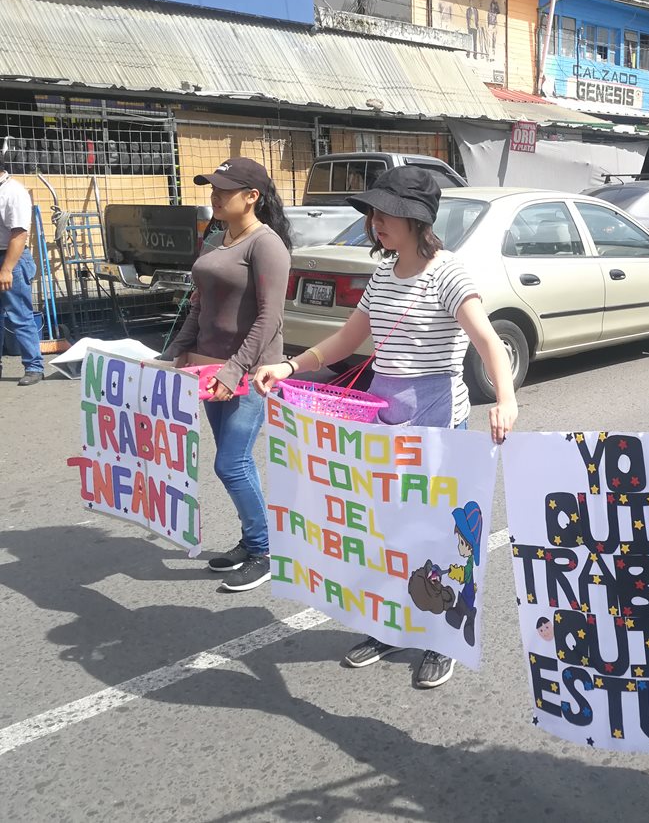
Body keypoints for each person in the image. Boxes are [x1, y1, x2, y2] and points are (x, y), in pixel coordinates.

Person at [254, 166, 517, 687]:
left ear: (418, 220)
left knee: (438, 534)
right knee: (387, 528)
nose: (376, 223)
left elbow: (487, 342)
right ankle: (391, 624)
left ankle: (440, 637)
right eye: (373, 213)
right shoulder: (382, 275)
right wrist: (288, 366)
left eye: (386, 213)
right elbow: (346, 341)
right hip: (383, 415)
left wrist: (505, 399)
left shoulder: (449, 274)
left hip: (438, 419)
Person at [160, 158, 293, 591]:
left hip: (250, 373)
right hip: (207, 370)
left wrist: (236, 370)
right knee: (234, 461)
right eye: (212, 187)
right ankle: (253, 541)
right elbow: (199, 304)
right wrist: (178, 349)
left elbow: (270, 318)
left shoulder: (266, 245)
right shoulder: (215, 239)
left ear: (252, 196)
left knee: (231, 463)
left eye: (224, 189)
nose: (214, 195)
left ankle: (266, 551)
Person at [0, 151, 44, 386]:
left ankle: (34, 367)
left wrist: (7, 269)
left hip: (11, 257)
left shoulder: (12, 192)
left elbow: (19, 234)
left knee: (19, 314)